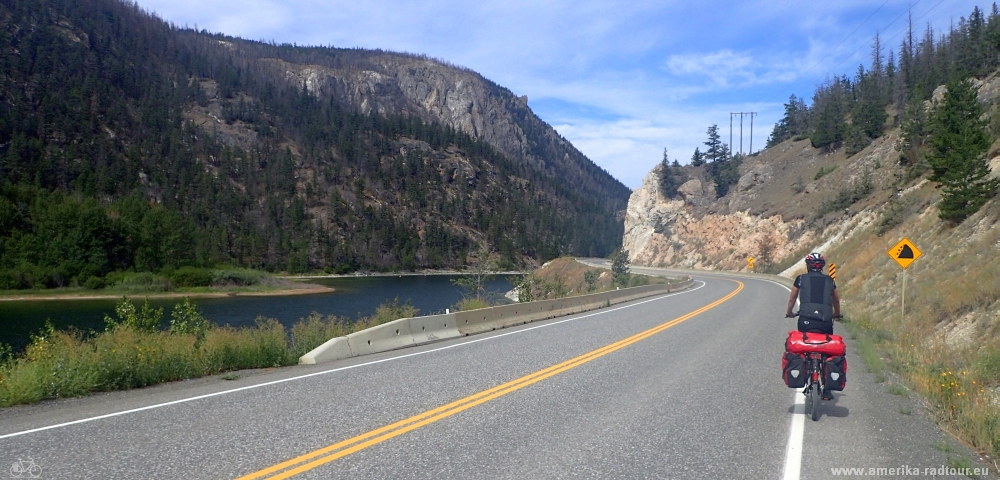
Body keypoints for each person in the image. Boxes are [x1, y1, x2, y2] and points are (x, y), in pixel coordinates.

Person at [785, 252, 842, 400]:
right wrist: (837, 313)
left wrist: (789, 312)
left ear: (808, 266)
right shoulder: (830, 280)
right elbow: (836, 300)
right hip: (825, 321)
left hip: (805, 320)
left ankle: (804, 374)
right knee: (827, 350)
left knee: (804, 347)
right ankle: (827, 387)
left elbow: (792, 298)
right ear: (822, 266)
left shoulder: (801, 279)